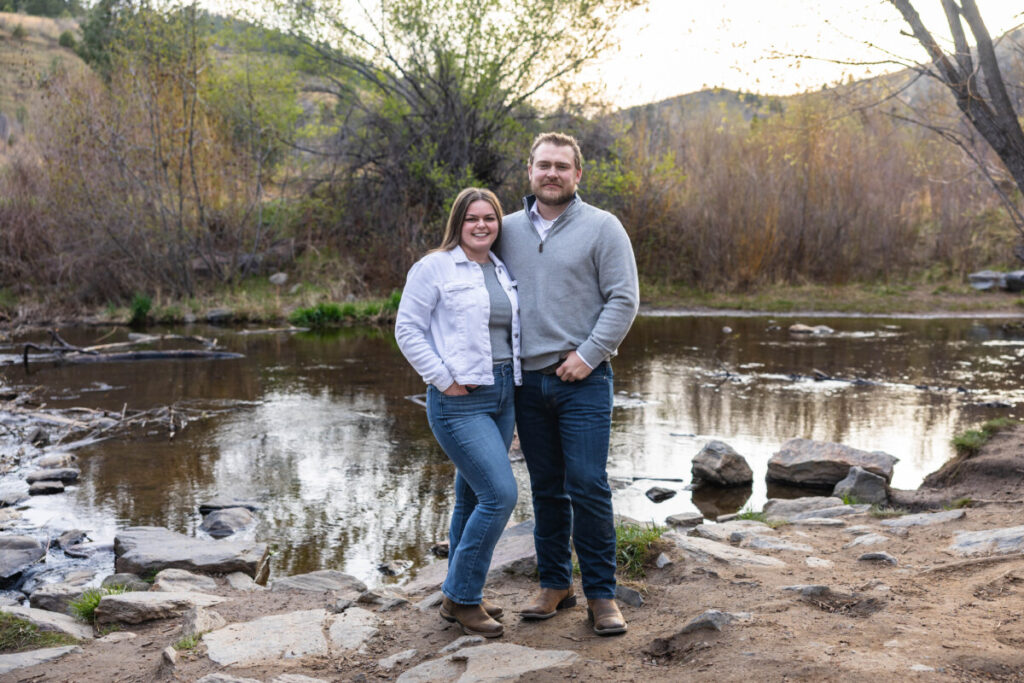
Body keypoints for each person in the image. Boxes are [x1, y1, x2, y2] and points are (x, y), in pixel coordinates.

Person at [495, 132, 639, 636]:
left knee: (588, 484)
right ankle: (555, 585)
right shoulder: (505, 229)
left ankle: (603, 595)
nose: (552, 173)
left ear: (578, 174)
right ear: (529, 171)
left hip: (583, 381)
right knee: (547, 490)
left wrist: (589, 355)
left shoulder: (604, 227)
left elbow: (624, 299)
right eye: (543, 165)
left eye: (562, 166)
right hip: (525, 383)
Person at [395, 187, 522, 638]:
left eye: (490, 217)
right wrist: (442, 379)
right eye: (473, 218)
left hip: (504, 392)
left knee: (472, 498)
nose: (483, 225)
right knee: (500, 495)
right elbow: (407, 329)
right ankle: (462, 598)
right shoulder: (435, 266)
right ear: (458, 223)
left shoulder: (502, 268)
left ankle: (462, 591)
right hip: (459, 400)